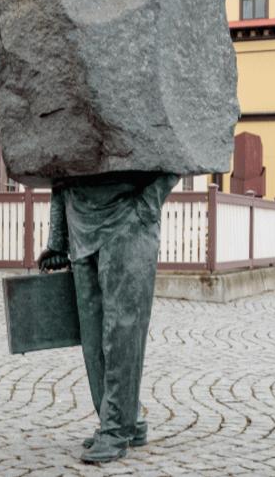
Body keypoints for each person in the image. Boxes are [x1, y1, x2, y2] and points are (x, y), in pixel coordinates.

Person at [37, 171, 179, 464]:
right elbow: (56, 165)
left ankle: (116, 428)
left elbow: (182, 151)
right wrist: (58, 239)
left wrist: (146, 207)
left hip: (128, 219)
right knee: (93, 337)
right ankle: (127, 418)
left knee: (122, 331)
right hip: (79, 224)